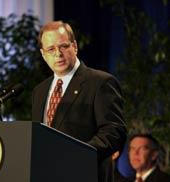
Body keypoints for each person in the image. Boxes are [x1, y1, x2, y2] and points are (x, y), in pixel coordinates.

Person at [32, 21, 127, 182]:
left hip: (86, 174)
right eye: (51, 49)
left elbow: (114, 131)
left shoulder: (100, 82)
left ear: (74, 46)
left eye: (63, 46)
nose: (58, 54)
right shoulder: (39, 91)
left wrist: (79, 154)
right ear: (43, 54)